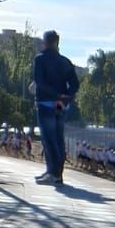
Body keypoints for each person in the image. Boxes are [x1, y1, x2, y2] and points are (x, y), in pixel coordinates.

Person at [33, 29, 79, 186]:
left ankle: (52, 173)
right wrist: (65, 97)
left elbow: (39, 82)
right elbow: (75, 84)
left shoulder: (40, 59)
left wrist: (55, 96)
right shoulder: (65, 61)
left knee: (48, 139)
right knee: (58, 139)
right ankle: (56, 173)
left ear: (45, 42)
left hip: (46, 103)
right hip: (61, 106)